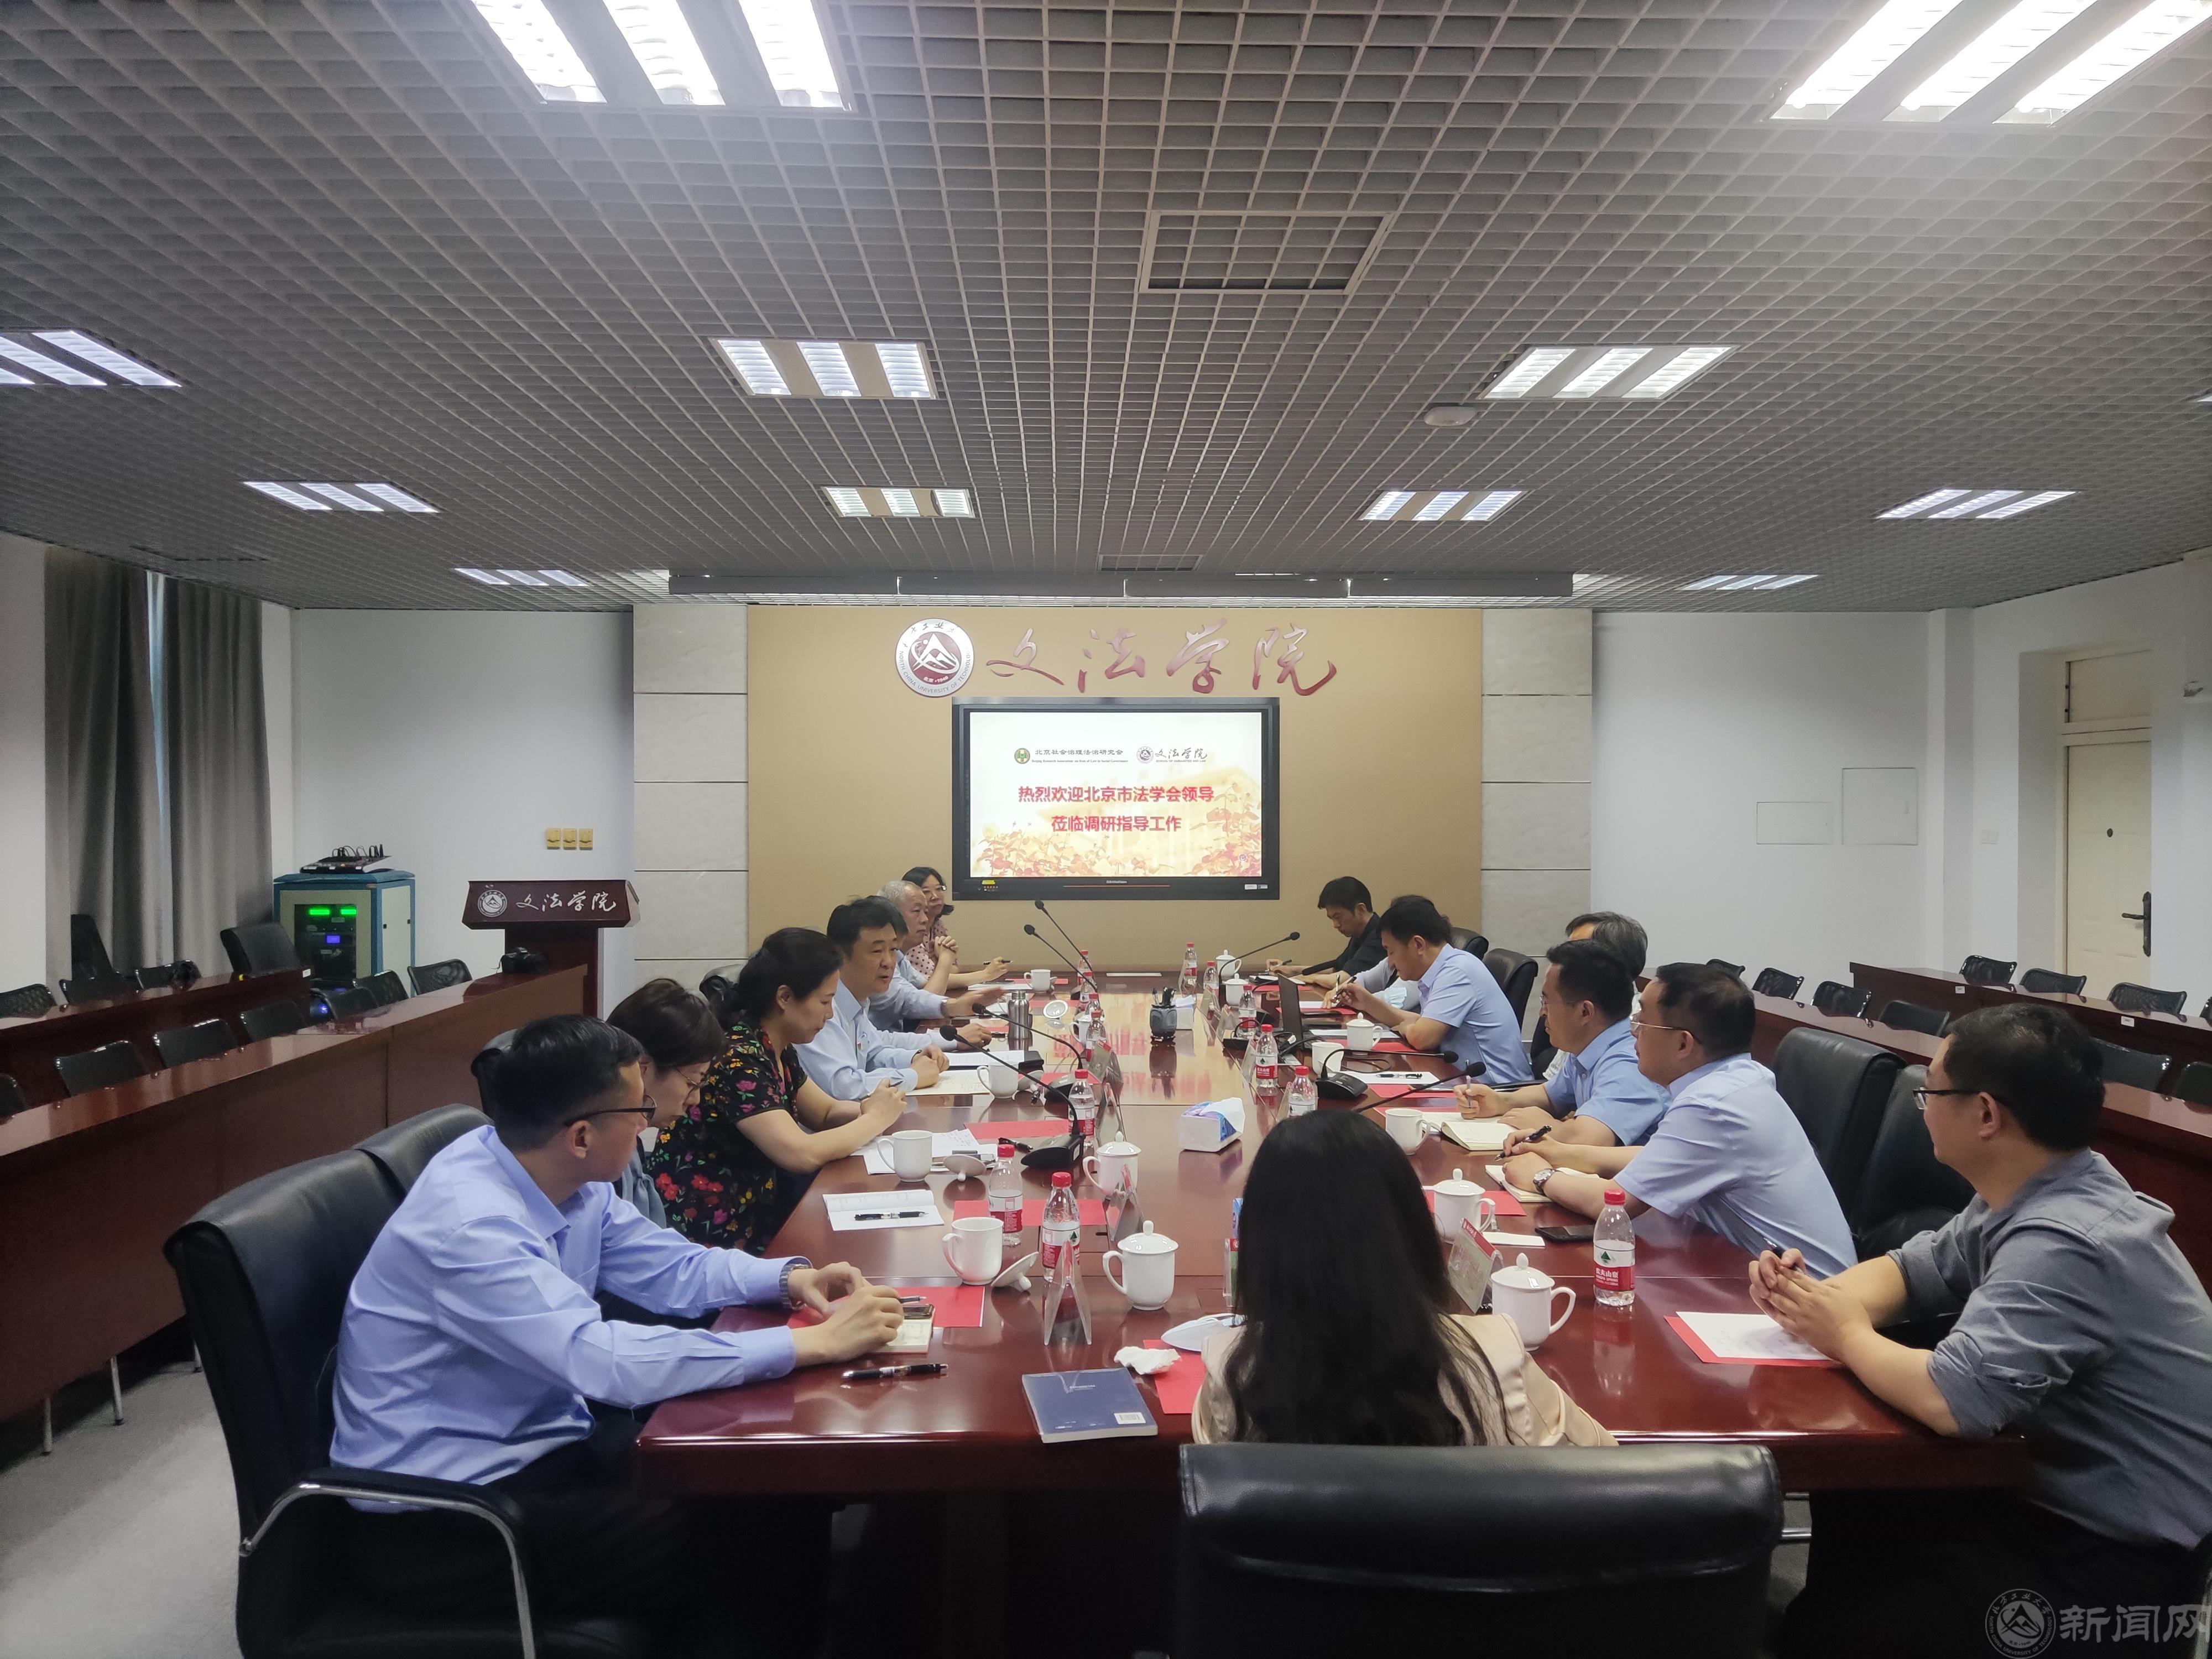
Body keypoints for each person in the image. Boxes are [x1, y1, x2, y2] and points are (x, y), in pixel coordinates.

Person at [332, 1015, 905, 1657]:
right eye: (638, 1111)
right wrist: (807, 1346)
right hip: (448, 1521)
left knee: (769, 1486)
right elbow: (602, 1360)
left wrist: (786, 1279)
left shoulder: (556, 1172)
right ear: (582, 1135)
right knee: (749, 1529)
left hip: (544, 1448)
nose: (650, 1123)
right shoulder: (470, 1228)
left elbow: (666, 1265)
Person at [1758, 1004, 2212, 1658]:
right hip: (2042, 1495)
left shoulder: (2068, 1242)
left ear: (1985, 1114)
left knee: (1840, 1632)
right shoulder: (2034, 1188)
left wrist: (1843, 1333)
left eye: (1930, 1093)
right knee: (1857, 1504)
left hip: (2117, 1563)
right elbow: (1911, 1271)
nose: (1922, 1108)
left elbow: (1953, 1401)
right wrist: (1810, 1298)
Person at [1193, 1109, 1612, 1448]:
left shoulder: (1231, 1374)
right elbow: (1606, 1474)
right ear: (1412, 1230)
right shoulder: (1496, 1355)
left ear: (1260, 1249)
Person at [1500, 962, 1853, 1276]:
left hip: (1806, 1297)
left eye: (1642, 1022)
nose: (1632, 1032)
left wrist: (1542, 1176)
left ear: (1683, 1044)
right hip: (1758, 1272)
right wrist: (1562, 1154)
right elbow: (1660, 1157)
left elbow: (1612, 1202)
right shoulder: (1740, 1078)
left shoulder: (1711, 1105)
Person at [649, 927, 910, 1251]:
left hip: (758, 1207)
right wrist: (874, 1120)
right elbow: (800, 1153)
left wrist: (876, 1108)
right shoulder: (740, 1058)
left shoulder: (776, 1047)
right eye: (825, 1001)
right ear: (785, 998)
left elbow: (825, 1112)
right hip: (713, 1223)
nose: (830, 1014)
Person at [1455, 940, 1671, 1146]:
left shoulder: (1630, 1063)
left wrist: (1546, 1126)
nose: (1542, 1013)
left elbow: (1588, 1140)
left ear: (1585, 1012)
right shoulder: (1590, 1045)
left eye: (1547, 1002)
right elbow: (1551, 1096)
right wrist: (1499, 1102)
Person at [1331, 895, 1533, 1087]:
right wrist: (1368, 1003)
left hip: (1498, 1090)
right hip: (1464, 1082)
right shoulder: (1439, 969)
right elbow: (1422, 1023)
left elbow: (1422, 1037)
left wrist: (1409, 1028)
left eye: (1391, 952)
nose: (1390, 963)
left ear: (1418, 944)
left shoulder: (1457, 971)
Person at [794, 898, 950, 1098]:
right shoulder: (822, 1007)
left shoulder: (858, 999)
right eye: (877, 951)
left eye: (893, 950)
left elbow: (873, 1054)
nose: (889, 962)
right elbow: (843, 1086)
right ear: (840, 955)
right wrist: (912, 1076)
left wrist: (916, 1057)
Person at [604, 977, 724, 1225]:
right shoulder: (600, 1160)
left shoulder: (627, 1140)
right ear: (642, 1069)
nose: (695, 1099)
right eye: (692, 1082)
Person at [870, 880, 992, 1036]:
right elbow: (912, 1001)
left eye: (925, 912)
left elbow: (924, 986)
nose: (925, 919)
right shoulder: (881, 962)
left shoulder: (899, 956)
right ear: (892, 916)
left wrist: (985, 977)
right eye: (917, 911)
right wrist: (945, 961)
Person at [899, 864, 1008, 992]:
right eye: (926, 892)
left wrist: (943, 961)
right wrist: (986, 974)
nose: (935, 896)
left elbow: (954, 969)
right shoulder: (910, 933)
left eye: (939, 889)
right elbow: (931, 981)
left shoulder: (937, 925)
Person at [1269, 876, 1386, 983]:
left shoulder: (1380, 936)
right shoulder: (1359, 933)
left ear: (1360, 910)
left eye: (1338, 917)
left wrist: (1298, 978)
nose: (1335, 925)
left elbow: (1340, 980)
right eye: (1332, 919)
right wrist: (1292, 970)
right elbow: (1336, 969)